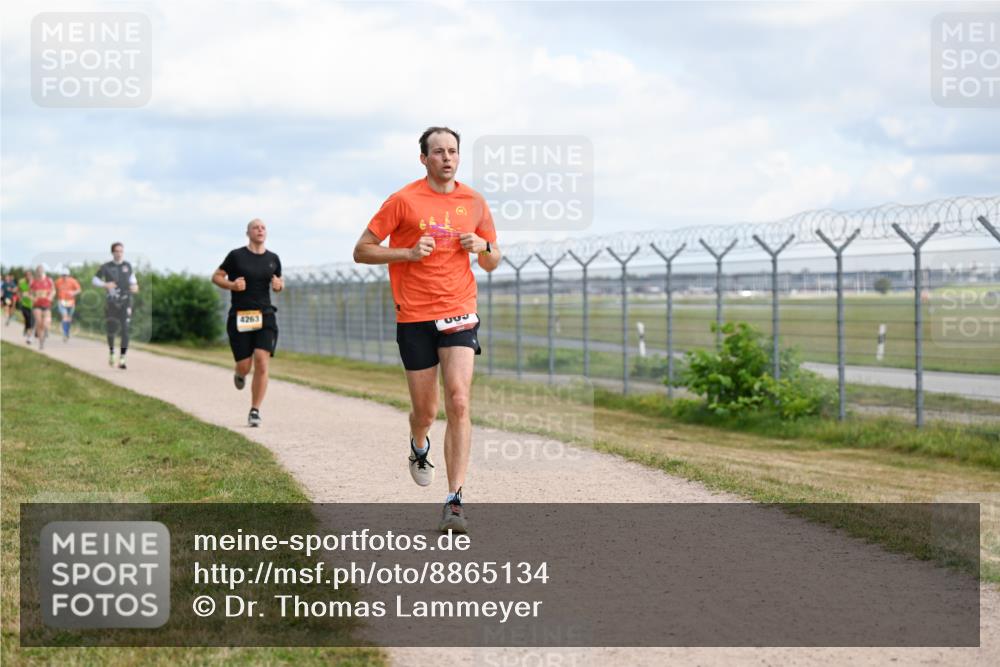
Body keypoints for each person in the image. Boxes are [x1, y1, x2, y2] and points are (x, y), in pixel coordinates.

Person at [354, 126, 501, 533]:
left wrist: (482, 248)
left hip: (458, 311)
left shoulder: (474, 201)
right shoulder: (403, 201)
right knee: (426, 412)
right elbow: (362, 249)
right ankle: (420, 445)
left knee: (458, 400)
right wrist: (406, 252)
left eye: (452, 151)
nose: (447, 158)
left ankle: (454, 500)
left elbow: (493, 261)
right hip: (414, 315)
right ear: (424, 158)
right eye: (438, 152)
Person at [212, 219, 283, 427]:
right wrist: (232, 285)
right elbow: (216, 277)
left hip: (265, 315)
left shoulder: (273, 259)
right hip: (241, 316)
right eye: (256, 227)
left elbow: (278, 282)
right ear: (248, 232)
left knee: (262, 360)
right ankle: (239, 373)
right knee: (245, 365)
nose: (260, 230)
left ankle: (255, 410)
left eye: (263, 227)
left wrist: (279, 285)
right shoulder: (236, 256)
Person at [93, 242, 139, 369]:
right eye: (117, 251)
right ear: (112, 252)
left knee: (125, 329)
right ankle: (112, 352)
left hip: (125, 302)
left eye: (121, 251)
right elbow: (94, 280)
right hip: (111, 303)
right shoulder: (106, 267)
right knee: (111, 330)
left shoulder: (127, 266)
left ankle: (123, 358)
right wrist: (104, 285)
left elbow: (133, 282)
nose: (119, 253)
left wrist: (135, 287)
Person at [30, 265, 55, 350]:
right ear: (36, 272)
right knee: (39, 323)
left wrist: (50, 296)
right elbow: (30, 293)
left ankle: (45, 331)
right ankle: (41, 343)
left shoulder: (49, 280)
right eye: (38, 271)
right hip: (37, 305)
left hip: (47, 304)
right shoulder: (33, 281)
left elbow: (53, 290)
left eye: (41, 270)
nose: (40, 272)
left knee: (45, 324)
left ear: (43, 271)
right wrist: (33, 298)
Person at [54, 268, 82, 341]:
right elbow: (53, 289)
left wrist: (73, 293)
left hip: (71, 302)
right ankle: (65, 334)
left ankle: (67, 332)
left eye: (66, 275)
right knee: (65, 317)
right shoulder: (58, 281)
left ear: (68, 275)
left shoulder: (73, 281)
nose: (64, 277)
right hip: (61, 301)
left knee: (69, 318)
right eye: (63, 275)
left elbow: (79, 290)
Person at [16, 270, 34, 343]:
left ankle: (29, 337)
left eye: (30, 275)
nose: (28, 277)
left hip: (33, 305)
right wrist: (20, 296)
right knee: (26, 318)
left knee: (30, 321)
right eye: (27, 275)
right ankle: (26, 329)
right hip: (24, 304)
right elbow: (18, 290)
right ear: (25, 276)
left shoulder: (34, 283)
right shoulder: (21, 282)